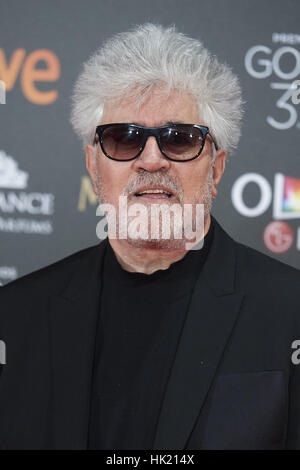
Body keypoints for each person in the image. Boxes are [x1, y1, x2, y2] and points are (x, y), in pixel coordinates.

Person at [1, 23, 300, 450]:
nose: (151, 159)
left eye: (179, 140)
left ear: (215, 169)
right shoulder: (14, 318)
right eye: (124, 139)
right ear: (92, 165)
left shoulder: (291, 312)